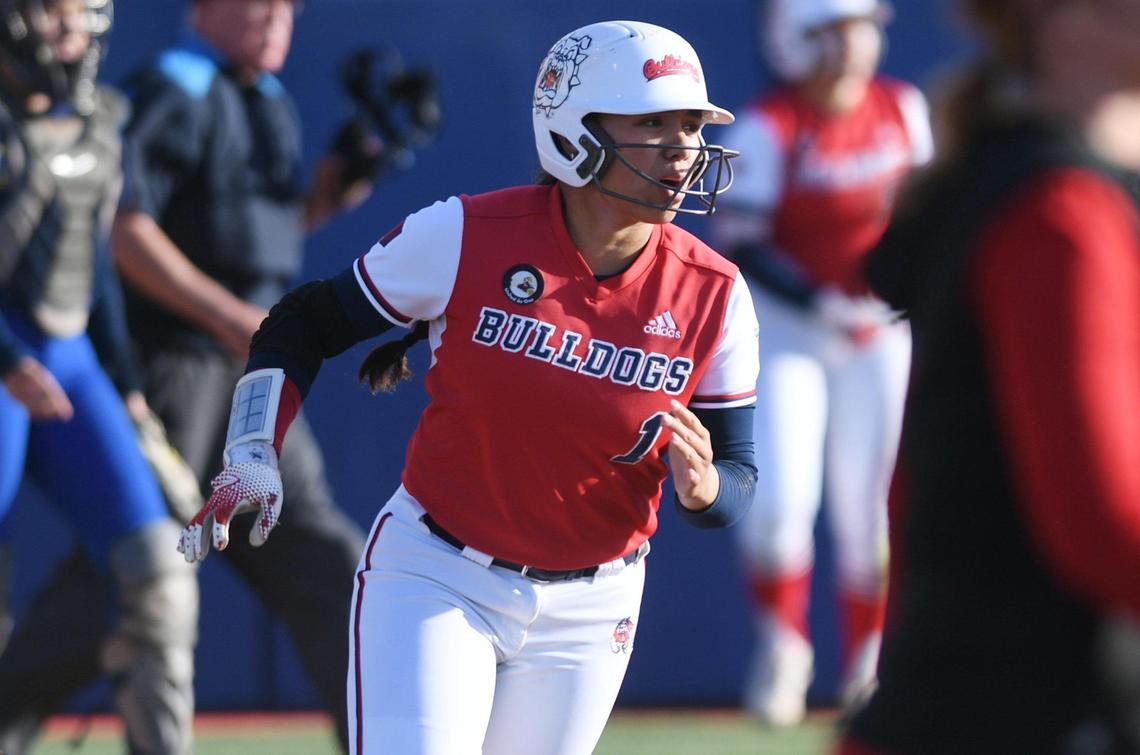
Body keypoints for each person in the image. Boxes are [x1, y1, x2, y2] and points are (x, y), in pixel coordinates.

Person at [177, 19, 760, 754]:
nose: (683, 149)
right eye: (654, 122)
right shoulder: (466, 233)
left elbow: (737, 480)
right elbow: (303, 321)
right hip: (438, 575)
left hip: (594, 605)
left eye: (691, 125)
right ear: (576, 132)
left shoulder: (716, 292)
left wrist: (705, 489)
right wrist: (253, 446)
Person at [0, 0, 368, 750]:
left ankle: (385, 732)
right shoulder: (173, 87)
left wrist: (337, 189)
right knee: (132, 571)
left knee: (246, 569)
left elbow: (204, 241)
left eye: (287, 8)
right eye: (257, 4)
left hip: (201, 370)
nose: (275, 20)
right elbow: (131, 231)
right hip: (170, 363)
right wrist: (231, 320)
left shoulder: (247, 97)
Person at [835, 0, 1140, 752]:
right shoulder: (1056, 208)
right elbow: (1102, 524)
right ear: (1064, 18)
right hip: (1013, 711)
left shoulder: (1033, 180)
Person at [710, 0, 933, 725]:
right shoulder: (769, 125)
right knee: (777, 506)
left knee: (873, 508)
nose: (853, 48)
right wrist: (823, 302)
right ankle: (784, 643)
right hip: (791, 334)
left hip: (880, 330)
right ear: (795, 41)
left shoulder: (902, 108)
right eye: (833, 32)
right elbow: (743, 244)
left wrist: (903, 292)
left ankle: (870, 664)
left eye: (860, 28)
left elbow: (929, 213)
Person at [0, 1, 198, 753]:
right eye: (50, 14)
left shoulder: (103, 120)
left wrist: (125, 380)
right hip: (6, 364)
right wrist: (6, 358)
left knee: (159, 570)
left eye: (77, 15)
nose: (67, 32)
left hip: (71, 360)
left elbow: (96, 270)